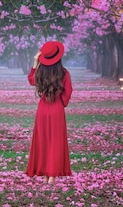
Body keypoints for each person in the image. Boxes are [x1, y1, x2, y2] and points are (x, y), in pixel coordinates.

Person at [25, 41, 73, 183]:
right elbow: (68, 92)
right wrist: (62, 102)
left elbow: (31, 81)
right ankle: (52, 175)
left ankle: (46, 174)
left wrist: (35, 63)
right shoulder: (64, 73)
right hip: (56, 108)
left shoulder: (40, 72)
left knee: (43, 140)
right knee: (55, 141)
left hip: (43, 109)